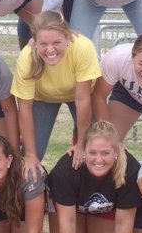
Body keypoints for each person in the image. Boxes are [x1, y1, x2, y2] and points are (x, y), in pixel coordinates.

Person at [10, 11, 101, 174]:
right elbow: (24, 108)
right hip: (42, 98)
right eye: (43, 44)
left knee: (94, 145)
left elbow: (83, 99)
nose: (50, 50)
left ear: (68, 38)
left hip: (78, 95)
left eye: (57, 42)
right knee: (33, 154)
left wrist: (81, 142)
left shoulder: (83, 47)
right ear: (34, 42)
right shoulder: (27, 57)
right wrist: (31, 154)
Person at [47, 120, 141, 233]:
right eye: (92, 152)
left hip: (103, 208)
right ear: (83, 150)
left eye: (105, 153)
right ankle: (84, 225)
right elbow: (68, 220)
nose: (99, 159)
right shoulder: (65, 170)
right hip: (71, 211)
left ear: (116, 151)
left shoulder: (130, 169)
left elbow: (124, 224)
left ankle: (92, 224)